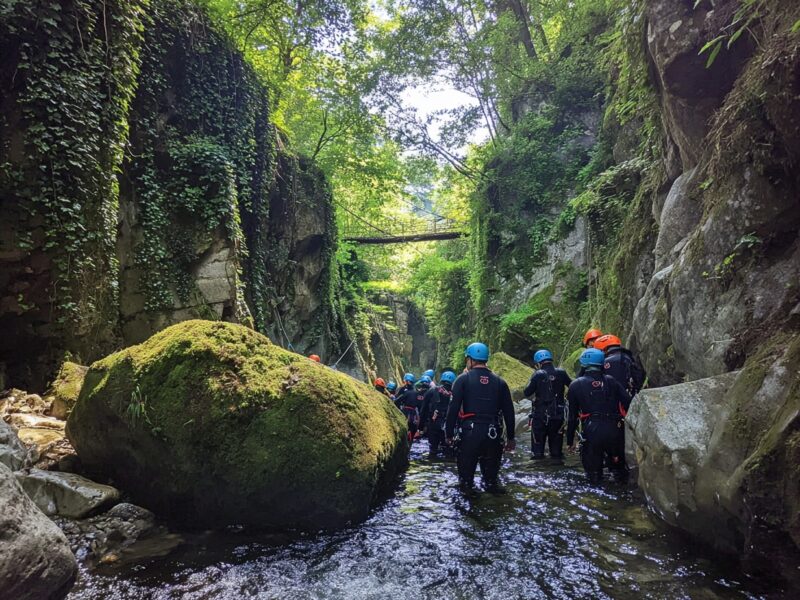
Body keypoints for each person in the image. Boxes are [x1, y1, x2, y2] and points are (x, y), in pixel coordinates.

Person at [446, 342, 516, 495]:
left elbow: (453, 409)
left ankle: (471, 512)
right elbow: (509, 413)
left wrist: (449, 434)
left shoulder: (462, 379)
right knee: (491, 482)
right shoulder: (500, 382)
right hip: (493, 434)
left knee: (466, 482)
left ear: (470, 359)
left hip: (470, 434)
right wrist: (511, 438)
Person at [566, 349, 631, 484]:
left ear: (584, 363)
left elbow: (572, 416)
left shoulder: (576, 385)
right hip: (615, 429)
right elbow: (628, 402)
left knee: (593, 475)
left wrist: (569, 440)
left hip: (592, 430)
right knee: (619, 471)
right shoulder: (611, 381)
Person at [525, 349, 572, 460]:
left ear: (538, 363)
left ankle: (539, 469)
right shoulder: (561, 373)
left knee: (537, 452)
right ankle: (556, 467)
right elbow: (573, 386)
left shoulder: (537, 375)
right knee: (556, 453)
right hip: (557, 416)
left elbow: (527, 392)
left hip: (540, 416)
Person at [420, 370, 456, 459]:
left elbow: (424, 410)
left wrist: (420, 428)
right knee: (448, 451)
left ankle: (432, 462)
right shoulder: (456, 394)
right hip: (449, 425)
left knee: (433, 450)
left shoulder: (432, 391)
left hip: (434, 423)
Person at [397, 376, 429, 443]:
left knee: (405, 428)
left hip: (405, 412)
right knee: (412, 429)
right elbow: (421, 405)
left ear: (407, 382)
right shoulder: (416, 393)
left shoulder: (405, 392)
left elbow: (397, 401)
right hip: (414, 414)